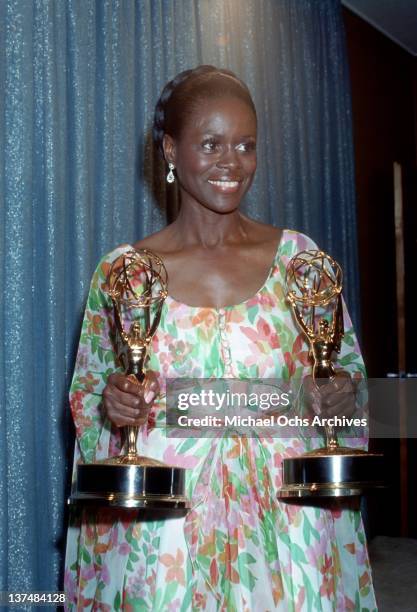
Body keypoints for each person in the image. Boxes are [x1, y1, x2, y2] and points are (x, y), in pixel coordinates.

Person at [65, 66, 376, 611]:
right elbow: (89, 397)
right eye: (210, 143)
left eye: (245, 145)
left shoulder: (299, 261)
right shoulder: (127, 272)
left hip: (287, 520)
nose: (231, 162)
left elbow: (351, 386)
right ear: (170, 149)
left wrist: (339, 397)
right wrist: (112, 404)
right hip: (169, 529)